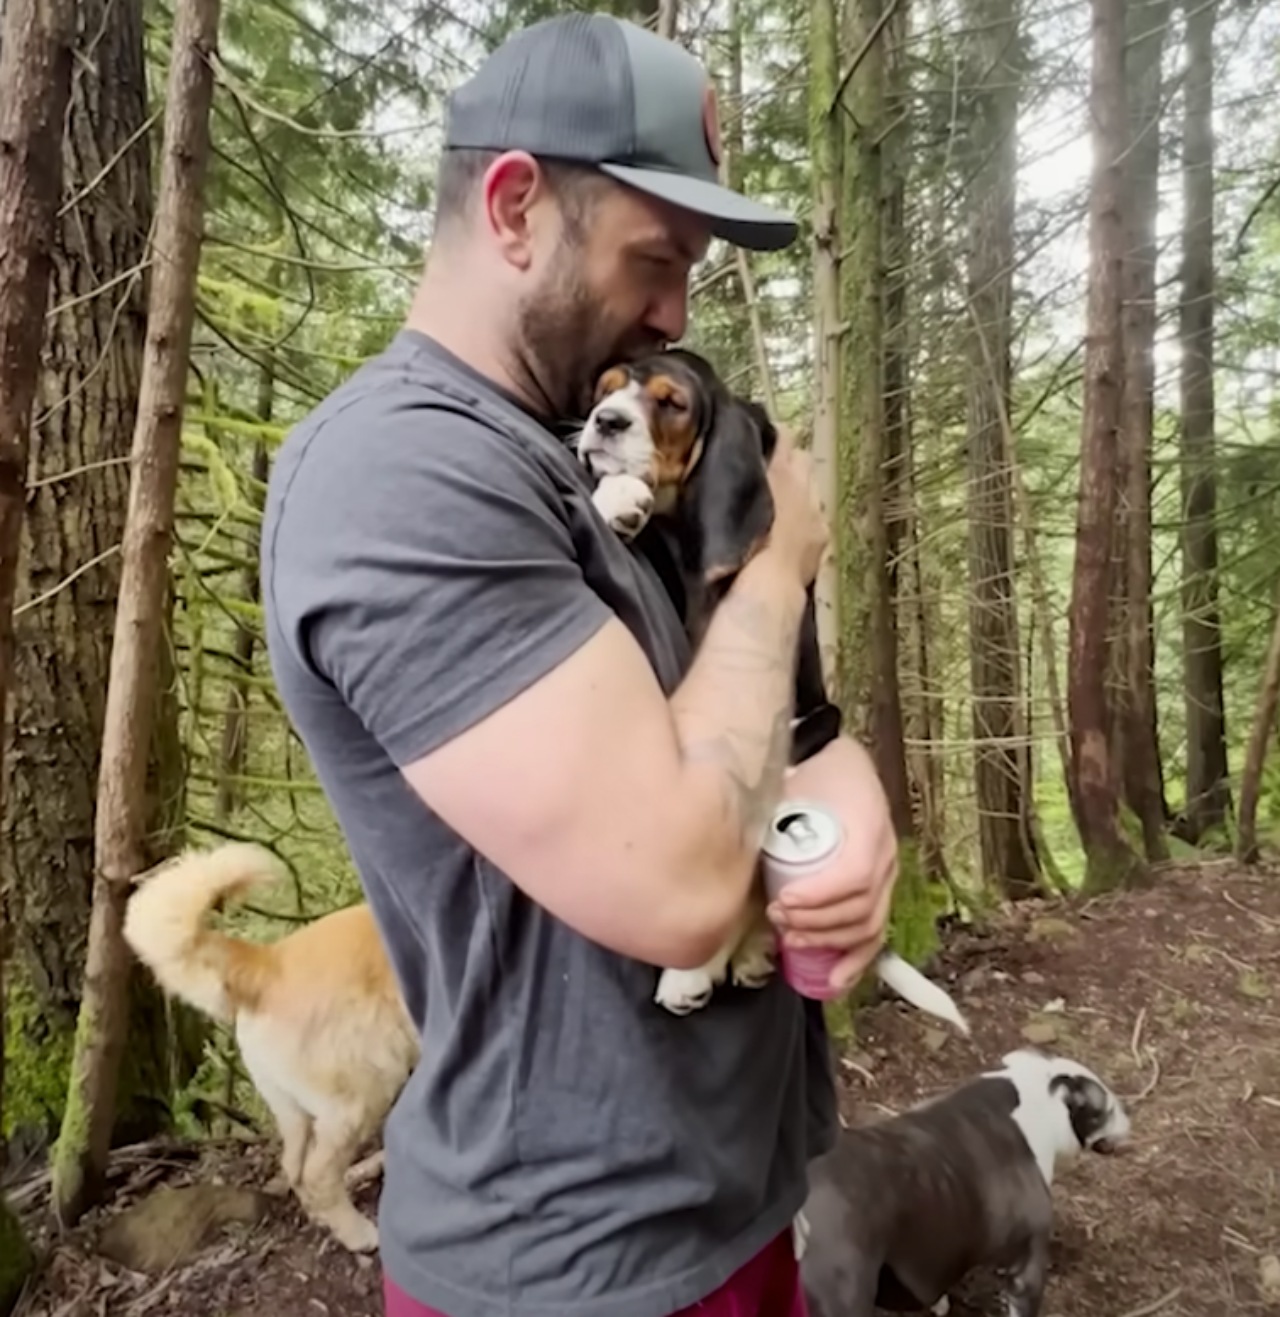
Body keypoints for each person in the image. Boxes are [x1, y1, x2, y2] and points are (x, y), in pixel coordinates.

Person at [260, 12, 899, 1317]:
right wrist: (778, 561)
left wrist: (856, 825)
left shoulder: (591, 462)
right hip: (571, 1261)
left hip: (732, 1201)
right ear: (513, 208)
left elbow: (777, 717)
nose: (675, 310)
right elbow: (675, 886)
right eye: (655, 258)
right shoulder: (402, 474)